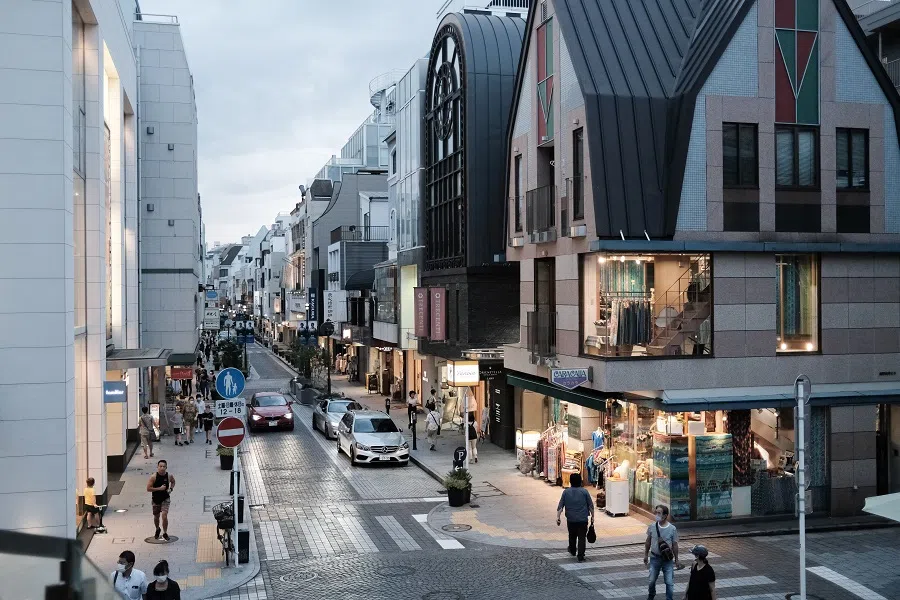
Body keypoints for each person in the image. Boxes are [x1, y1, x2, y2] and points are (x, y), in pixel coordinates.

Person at [644, 504, 683, 600]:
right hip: (654, 558)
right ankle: (651, 595)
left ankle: (669, 599)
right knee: (651, 581)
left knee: (669, 582)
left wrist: (677, 560)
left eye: (659, 513)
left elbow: (675, 545)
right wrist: (645, 555)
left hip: (667, 560)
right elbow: (648, 541)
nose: (656, 515)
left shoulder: (672, 529)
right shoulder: (652, 526)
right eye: (656, 512)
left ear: (665, 516)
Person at [556, 472, 594, 561]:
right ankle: (580, 555)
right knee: (582, 537)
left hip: (571, 519)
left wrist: (558, 517)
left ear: (571, 482)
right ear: (580, 481)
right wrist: (593, 516)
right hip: (582, 519)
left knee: (572, 535)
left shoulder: (566, 492)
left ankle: (572, 550)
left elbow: (560, 506)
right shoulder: (584, 492)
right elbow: (591, 506)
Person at [146, 459, 175, 540]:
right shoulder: (153, 477)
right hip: (156, 499)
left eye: (164, 466)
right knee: (156, 517)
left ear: (166, 467)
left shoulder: (169, 476)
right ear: (157, 467)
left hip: (165, 499)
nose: (162, 468)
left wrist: (171, 489)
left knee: (164, 515)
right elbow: (148, 489)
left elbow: (173, 482)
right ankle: (157, 529)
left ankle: (165, 532)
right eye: (160, 466)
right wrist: (159, 488)